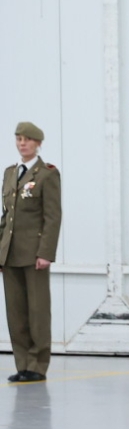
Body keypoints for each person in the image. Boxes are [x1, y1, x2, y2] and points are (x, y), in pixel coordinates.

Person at [1, 122, 60, 384]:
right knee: (16, 313)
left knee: (37, 311)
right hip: (10, 253)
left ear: (38, 144)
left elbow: (52, 217)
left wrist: (46, 252)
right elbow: (6, 217)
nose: (22, 144)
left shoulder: (47, 174)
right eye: (19, 139)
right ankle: (23, 364)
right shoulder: (10, 173)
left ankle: (37, 365)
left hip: (34, 253)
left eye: (27, 139)